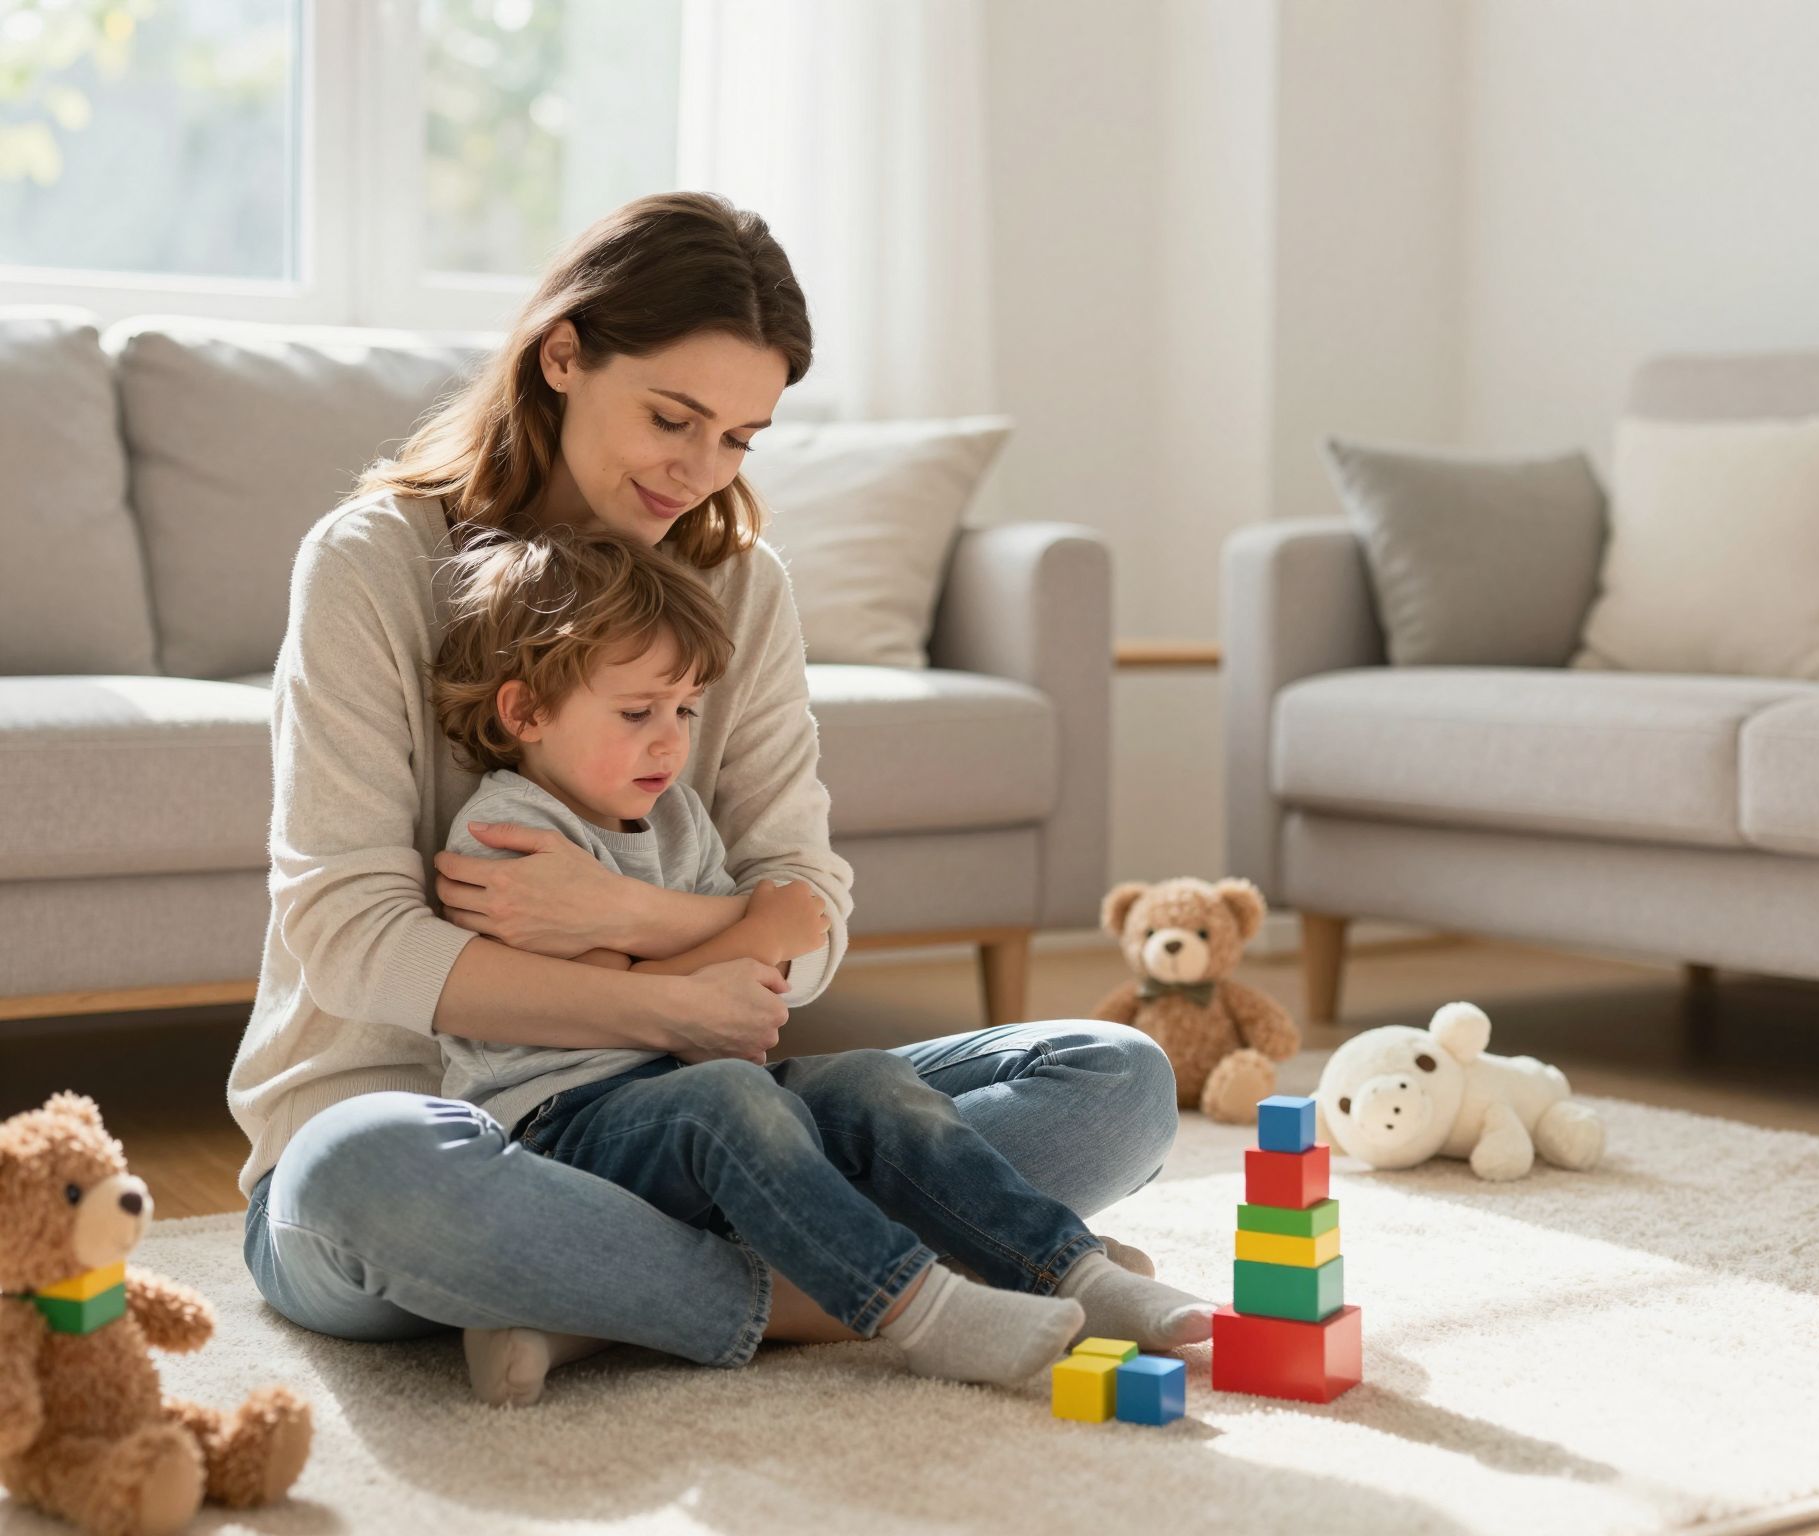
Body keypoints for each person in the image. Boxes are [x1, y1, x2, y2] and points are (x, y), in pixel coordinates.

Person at [227, 190, 1182, 1406]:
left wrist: (629, 919)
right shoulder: (373, 563)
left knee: (1114, 1079)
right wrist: (676, 1005)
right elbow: (353, 941)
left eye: (738, 437)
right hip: (433, 1130)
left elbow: (808, 911)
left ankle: (593, 1296)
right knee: (364, 1175)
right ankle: (828, 1293)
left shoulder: (738, 586)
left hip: (690, 1120)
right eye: (671, 418)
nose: (698, 470)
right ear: (562, 356)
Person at [424, 528, 1211, 1403]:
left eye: (685, 711)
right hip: (562, 1128)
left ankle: (1072, 1272)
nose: (670, 743)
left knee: (870, 1082)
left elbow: (741, 980)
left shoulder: (677, 820)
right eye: (638, 713)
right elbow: (622, 999)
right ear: (526, 712)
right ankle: (922, 1310)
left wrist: (712, 952)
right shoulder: (507, 835)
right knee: (733, 1099)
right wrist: (747, 932)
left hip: (701, 1092)